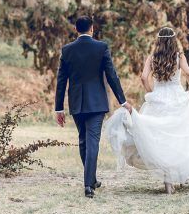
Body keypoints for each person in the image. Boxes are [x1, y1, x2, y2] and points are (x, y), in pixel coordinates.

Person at [105, 26, 189, 194]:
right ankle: (180, 175)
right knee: (179, 138)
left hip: (158, 98)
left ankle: (168, 180)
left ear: (158, 40)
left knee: (158, 139)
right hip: (177, 97)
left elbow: (143, 77)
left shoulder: (152, 57)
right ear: (173, 41)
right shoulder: (179, 56)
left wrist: (151, 91)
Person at [55, 16, 132, 198]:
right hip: (97, 102)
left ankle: (91, 180)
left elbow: (61, 81)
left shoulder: (67, 50)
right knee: (91, 142)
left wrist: (59, 108)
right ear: (92, 29)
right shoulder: (101, 47)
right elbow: (112, 75)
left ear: (76, 29)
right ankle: (89, 184)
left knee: (83, 140)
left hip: (76, 102)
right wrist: (122, 100)